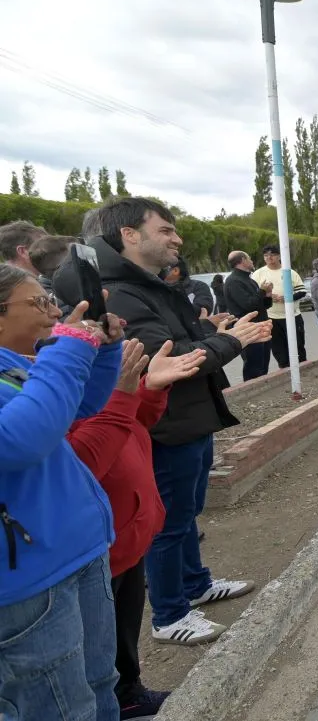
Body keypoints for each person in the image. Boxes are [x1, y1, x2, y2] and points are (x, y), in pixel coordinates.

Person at [86, 198, 271, 647]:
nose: (177, 239)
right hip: (166, 424)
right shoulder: (121, 293)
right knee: (166, 521)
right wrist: (229, 340)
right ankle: (169, 615)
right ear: (130, 234)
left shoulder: (150, 286)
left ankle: (195, 583)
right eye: (166, 230)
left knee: (186, 512)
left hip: (188, 418)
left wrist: (214, 332)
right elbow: (167, 357)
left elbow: (183, 340)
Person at [0, 263, 123, 721]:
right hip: (27, 582)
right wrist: (67, 350)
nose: (55, 311)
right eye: (39, 302)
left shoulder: (14, 364)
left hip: (74, 553)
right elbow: (21, 439)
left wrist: (103, 351)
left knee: (98, 685)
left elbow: (78, 406)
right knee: (60, 710)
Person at [66, 337, 207, 719]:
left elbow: (132, 420)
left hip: (129, 535)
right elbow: (84, 456)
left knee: (123, 629)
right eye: (39, 303)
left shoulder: (84, 368)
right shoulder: (47, 380)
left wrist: (147, 390)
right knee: (92, 646)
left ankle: (128, 692)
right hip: (97, 547)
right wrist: (122, 396)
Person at [252, 244, 307, 370]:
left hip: (292, 316)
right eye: (266, 256)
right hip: (271, 317)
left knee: (298, 344)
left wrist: (287, 297)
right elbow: (254, 294)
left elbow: (302, 291)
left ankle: (302, 368)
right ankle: (284, 368)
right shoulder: (258, 274)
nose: (269, 258)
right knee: (278, 347)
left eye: (272, 255)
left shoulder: (289, 272)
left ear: (279, 256)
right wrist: (268, 296)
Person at [223, 251, 274, 382]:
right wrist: (261, 291)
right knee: (253, 366)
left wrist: (268, 295)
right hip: (248, 330)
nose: (252, 261)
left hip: (261, 327)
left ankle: (263, 392)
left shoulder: (250, 280)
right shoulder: (233, 281)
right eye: (249, 258)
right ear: (242, 260)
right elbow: (247, 305)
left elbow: (262, 306)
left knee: (263, 365)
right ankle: (254, 394)